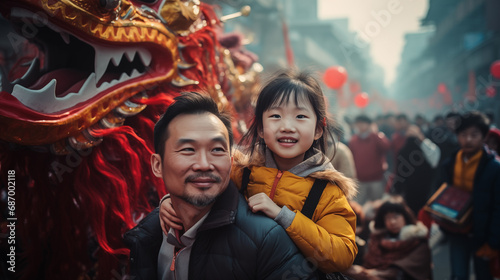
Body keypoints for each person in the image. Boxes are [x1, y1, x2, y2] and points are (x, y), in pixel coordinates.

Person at [160, 70, 358, 274]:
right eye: (275, 116)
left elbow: (342, 255)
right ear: (261, 128)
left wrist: (284, 217)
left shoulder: (327, 192)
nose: (287, 126)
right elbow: (201, 187)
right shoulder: (241, 170)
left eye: (300, 116)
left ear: (318, 128)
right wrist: (170, 202)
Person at [124, 92, 319, 279]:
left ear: (231, 161)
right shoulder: (147, 236)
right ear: (158, 165)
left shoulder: (266, 241)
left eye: (217, 149)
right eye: (188, 149)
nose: (204, 164)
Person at [434, 111, 500, 280]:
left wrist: (494, 241)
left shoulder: (494, 167)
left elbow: (498, 207)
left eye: (474, 135)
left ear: (484, 136)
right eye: (463, 135)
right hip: (457, 230)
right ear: (457, 136)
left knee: (484, 275)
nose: (468, 139)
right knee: (458, 275)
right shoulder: (450, 163)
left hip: (483, 234)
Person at [343, 195, 432, 280]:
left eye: (396, 217)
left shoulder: (418, 242)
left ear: (405, 217)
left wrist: (369, 274)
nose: (392, 222)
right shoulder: (376, 240)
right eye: (387, 218)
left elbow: (404, 272)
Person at [390, 125, 441, 216]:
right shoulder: (405, 150)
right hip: (417, 188)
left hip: (421, 187)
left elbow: (434, 159)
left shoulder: (424, 148)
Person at [349, 114, 390, 205]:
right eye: (358, 124)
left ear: (369, 125)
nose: (360, 126)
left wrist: (375, 134)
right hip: (360, 180)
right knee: (358, 206)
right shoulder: (353, 140)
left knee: (378, 205)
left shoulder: (375, 137)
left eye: (362, 123)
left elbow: (386, 147)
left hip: (376, 179)